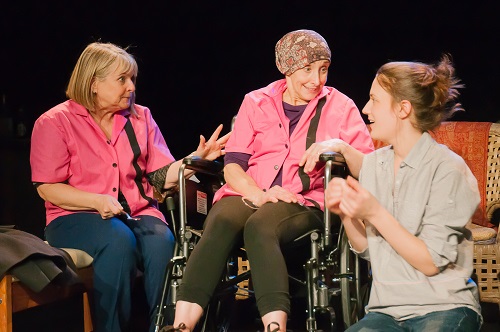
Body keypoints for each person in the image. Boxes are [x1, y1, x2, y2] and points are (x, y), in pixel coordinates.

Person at [165, 29, 374, 332]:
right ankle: (181, 326)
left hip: (304, 202)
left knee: (261, 225)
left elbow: (368, 163)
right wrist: (257, 193)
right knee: (221, 218)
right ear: (287, 68)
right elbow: (234, 166)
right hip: (248, 193)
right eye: (307, 69)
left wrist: (338, 148)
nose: (316, 79)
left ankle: (274, 328)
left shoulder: (341, 107)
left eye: (323, 69)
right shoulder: (256, 101)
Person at [29, 42, 230, 332]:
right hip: (74, 218)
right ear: (94, 83)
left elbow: (160, 176)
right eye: (122, 79)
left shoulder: (140, 117)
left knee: (162, 244)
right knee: (119, 241)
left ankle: (163, 327)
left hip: (138, 211)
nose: (131, 87)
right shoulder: (55, 122)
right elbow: (48, 187)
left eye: (132, 79)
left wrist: (193, 161)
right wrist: (96, 201)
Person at [325, 55, 483, 331]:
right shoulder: (374, 165)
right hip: (386, 311)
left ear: (403, 109)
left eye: (374, 100)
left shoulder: (447, 169)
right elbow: (368, 252)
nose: (365, 109)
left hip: (443, 306)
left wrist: (374, 211)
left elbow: (430, 262)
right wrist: (347, 212)